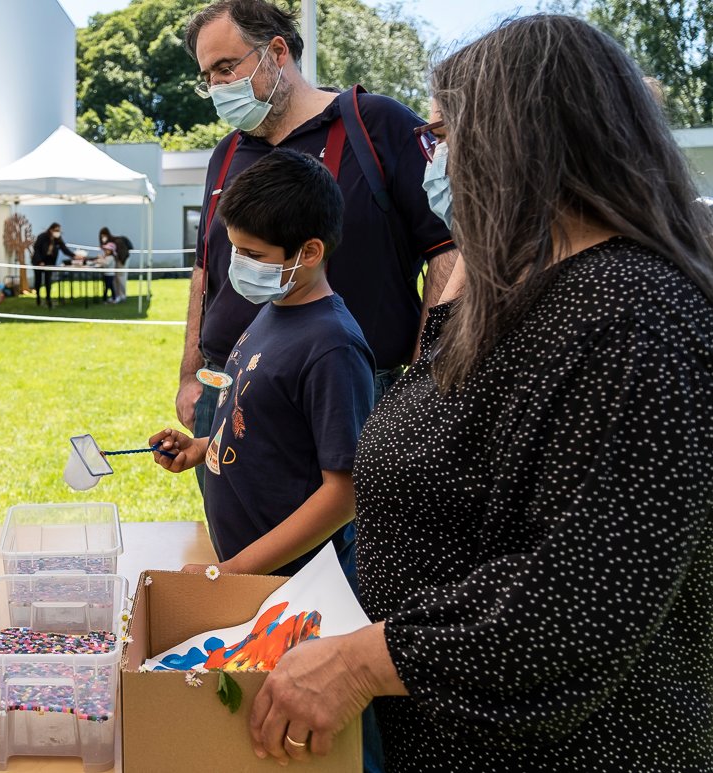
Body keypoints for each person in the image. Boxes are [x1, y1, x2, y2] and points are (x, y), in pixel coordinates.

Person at [247, 15, 713, 772]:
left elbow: (582, 597)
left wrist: (361, 663)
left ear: (518, 138)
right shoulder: (532, 289)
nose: (433, 162)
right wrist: (477, 252)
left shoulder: (634, 315)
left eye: (442, 135)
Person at [178, 0, 458, 495]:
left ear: (276, 52)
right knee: (239, 534)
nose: (218, 87)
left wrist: (420, 384)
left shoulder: (375, 123)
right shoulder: (227, 152)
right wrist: (189, 375)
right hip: (226, 388)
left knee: (344, 535)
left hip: (348, 390)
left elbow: (447, 249)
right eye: (208, 77)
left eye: (226, 68)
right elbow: (205, 270)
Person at [151, 148, 373, 578]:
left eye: (253, 255)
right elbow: (264, 426)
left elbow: (344, 494)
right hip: (251, 577)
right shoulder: (274, 310)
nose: (239, 265)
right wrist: (202, 446)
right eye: (236, 250)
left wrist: (234, 571)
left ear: (310, 252)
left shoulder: (333, 347)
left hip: (295, 587)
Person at [30, 222, 74, 308]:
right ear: (51, 230)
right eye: (56, 230)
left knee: (48, 280)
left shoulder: (58, 239)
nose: (58, 232)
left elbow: (64, 249)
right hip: (38, 261)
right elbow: (36, 249)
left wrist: (74, 256)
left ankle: (48, 299)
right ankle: (38, 298)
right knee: (38, 280)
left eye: (59, 231)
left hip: (49, 262)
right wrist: (40, 261)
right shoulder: (42, 237)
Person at [99, 226, 130, 302]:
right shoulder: (109, 243)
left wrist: (121, 263)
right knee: (115, 278)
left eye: (103, 236)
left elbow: (123, 254)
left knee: (120, 277)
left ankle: (122, 295)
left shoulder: (116, 241)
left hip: (122, 260)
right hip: (117, 260)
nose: (103, 238)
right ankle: (116, 295)